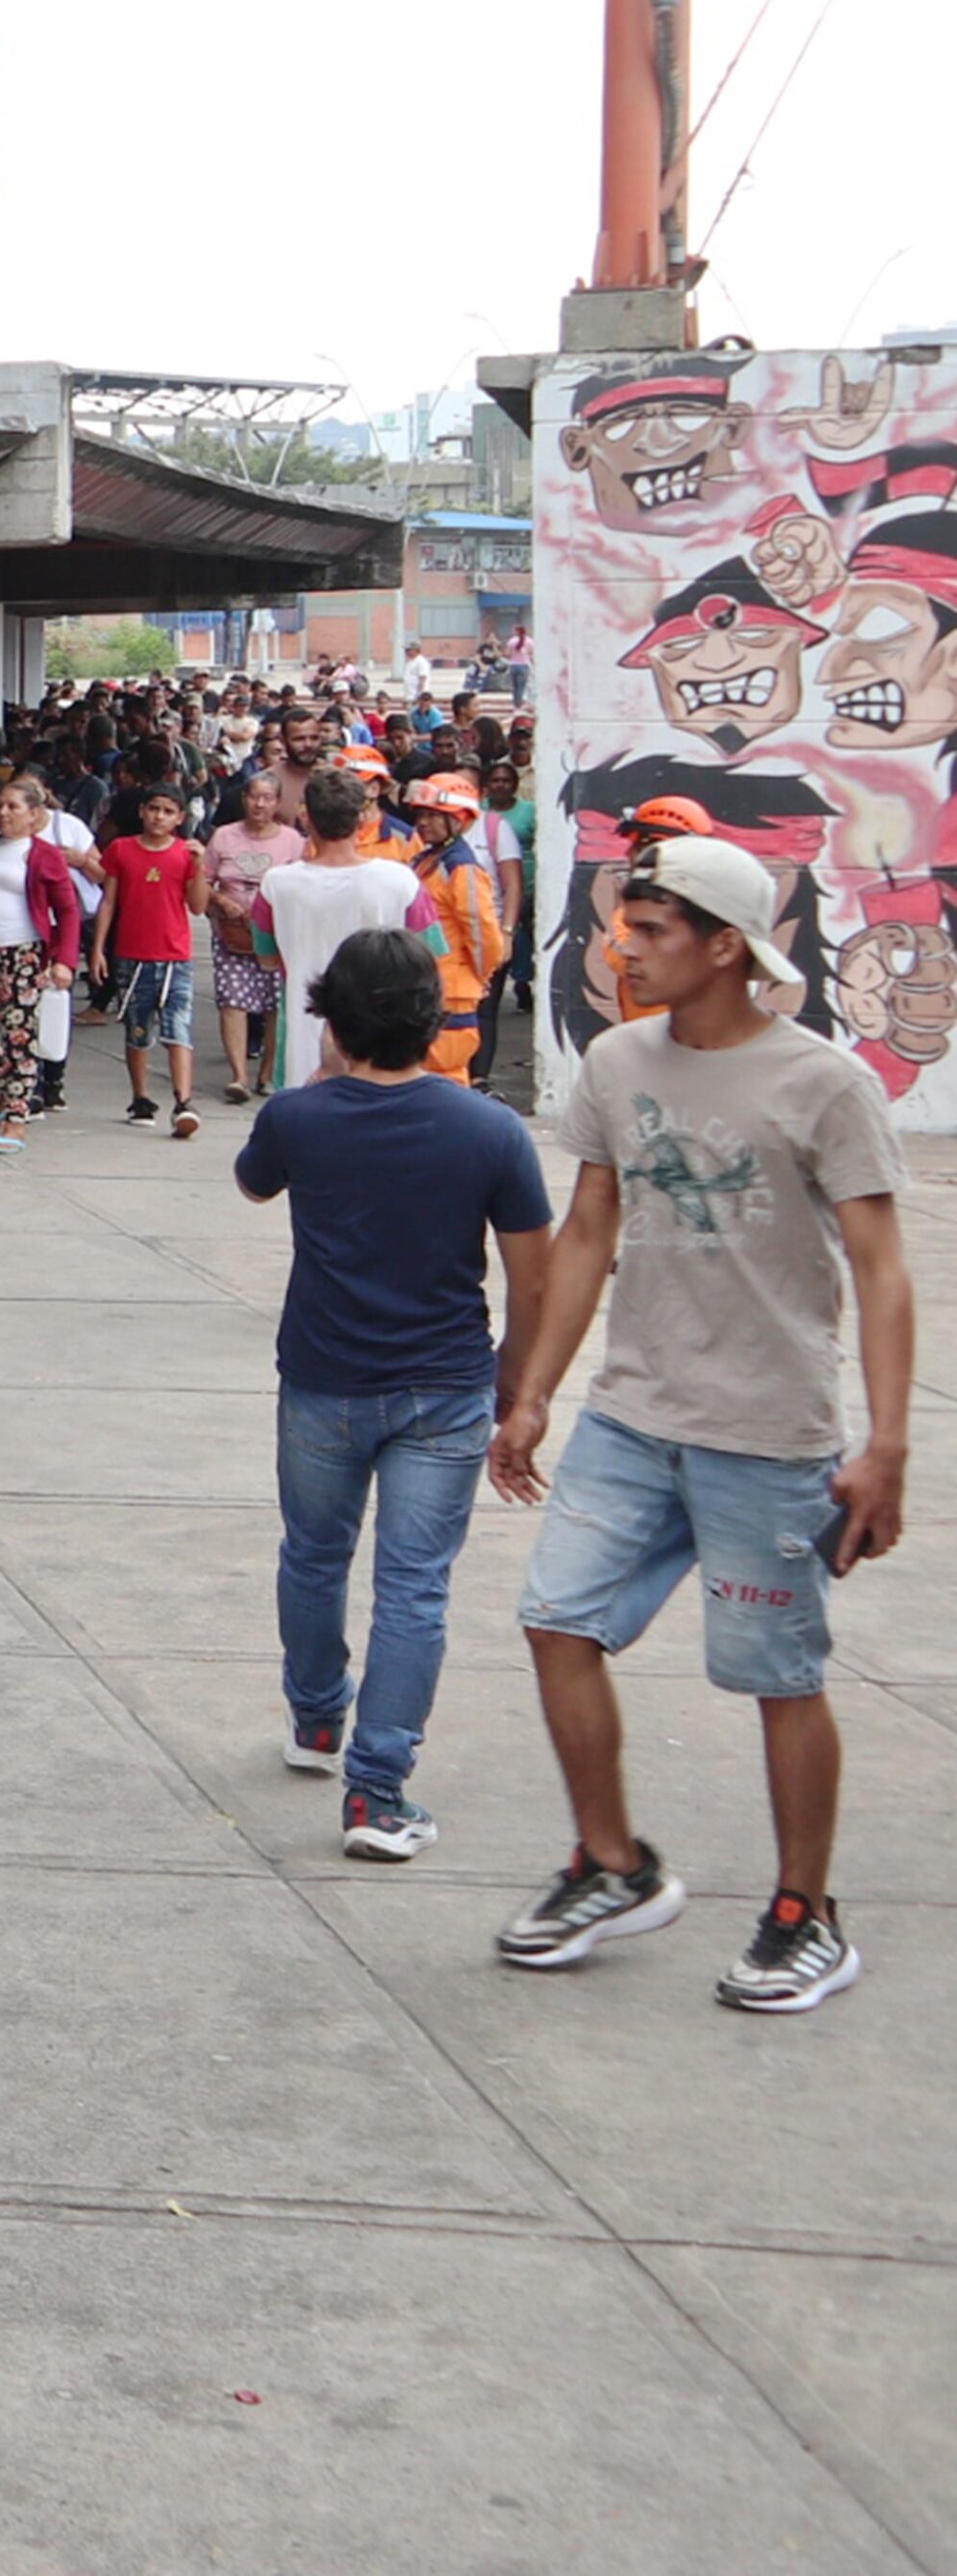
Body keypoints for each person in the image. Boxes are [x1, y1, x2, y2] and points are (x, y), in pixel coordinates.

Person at [488, 833, 912, 2013]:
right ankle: (610, 1863)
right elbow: (586, 1233)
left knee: (776, 1675)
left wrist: (884, 1446)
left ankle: (802, 1912)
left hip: (768, 1435)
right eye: (622, 926)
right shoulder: (617, 1064)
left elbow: (879, 1271)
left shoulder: (821, 1083)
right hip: (632, 1419)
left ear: (725, 947)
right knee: (554, 1623)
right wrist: (529, 1391)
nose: (624, 948)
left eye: (652, 931)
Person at [230, 932, 549, 1863]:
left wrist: (325, 1074)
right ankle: (376, 1794)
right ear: (430, 1018)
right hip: (445, 1387)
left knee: (313, 1555)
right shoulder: (487, 1129)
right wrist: (516, 1382)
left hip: (322, 1380)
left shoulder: (297, 1118)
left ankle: (315, 1717)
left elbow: (253, 1188)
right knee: (413, 1587)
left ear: (332, 1016)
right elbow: (533, 1280)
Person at [255, 771, 432, 1089]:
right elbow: (428, 956)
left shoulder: (275, 885)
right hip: (386, 1039)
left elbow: (267, 958)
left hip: (302, 1031)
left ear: (306, 816)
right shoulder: (402, 882)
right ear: (362, 818)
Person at [0, 770, 87, 1156]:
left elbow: (68, 911)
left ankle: (17, 1118)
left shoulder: (43, 855)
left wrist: (64, 961)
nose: (4, 813)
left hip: (23, 955)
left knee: (19, 1036)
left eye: (13, 807)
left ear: (34, 814)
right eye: (1, 806)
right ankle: (12, 1094)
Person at [97, 783, 204, 1134]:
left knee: (178, 1030)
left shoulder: (185, 856)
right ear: (142, 811)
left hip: (174, 955)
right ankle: (140, 1096)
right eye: (154, 809)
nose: (159, 817)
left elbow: (198, 905)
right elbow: (109, 901)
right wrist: (98, 948)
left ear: (180, 818)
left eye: (168, 811)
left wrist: (201, 867)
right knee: (137, 1029)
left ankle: (183, 1101)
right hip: (132, 954)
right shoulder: (121, 849)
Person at [202, 769, 305, 1103]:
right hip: (232, 935)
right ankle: (239, 1077)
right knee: (233, 1001)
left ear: (277, 803)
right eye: (253, 797)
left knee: (276, 1004)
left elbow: (302, 885)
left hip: (276, 936)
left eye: (267, 798)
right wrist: (220, 901)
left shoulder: (292, 841)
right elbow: (203, 882)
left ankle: (268, 1074)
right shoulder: (223, 837)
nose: (259, 804)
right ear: (243, 799)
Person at [402, 774, 510, 1085]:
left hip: (452, 993)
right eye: (420, 814)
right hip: (429, 986)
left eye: (433, 815)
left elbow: (483, 934)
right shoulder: (429, 860)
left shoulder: (461, 867)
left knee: (445, 1075)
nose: (423, 822)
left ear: (459, 819)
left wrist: (480, 976)